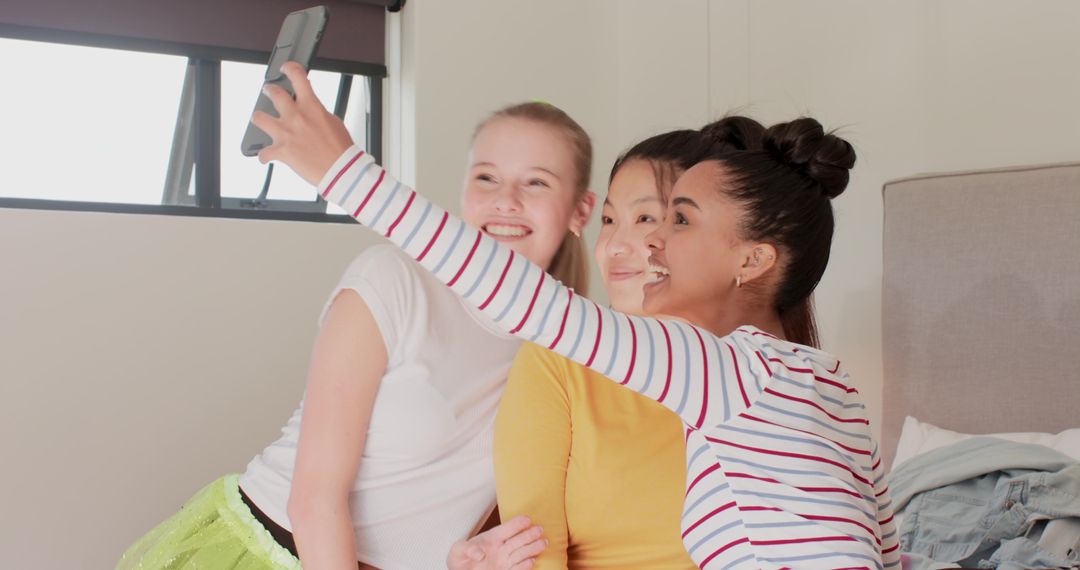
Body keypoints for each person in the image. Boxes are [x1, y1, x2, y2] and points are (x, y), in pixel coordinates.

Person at [256, 62, 902, 569]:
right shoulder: (831, 384)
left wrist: (342, 171)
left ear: (752, 260)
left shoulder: (722, 370)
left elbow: (539, 308)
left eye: (676, 220)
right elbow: (889, 549)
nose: (649, 242)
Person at [118, 100, 596, 570]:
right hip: (277, 550)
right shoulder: (392, 280)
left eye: (536, 182)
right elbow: (315, 500)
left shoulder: (572, 343)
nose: (506, 200)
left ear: (581, 210)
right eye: (487, 177)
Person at [494, 117, 766, 569]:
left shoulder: (764, 370)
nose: (614, 245)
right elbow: (532, 553)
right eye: (607, 219)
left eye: (646, 218)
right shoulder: (557, 361)